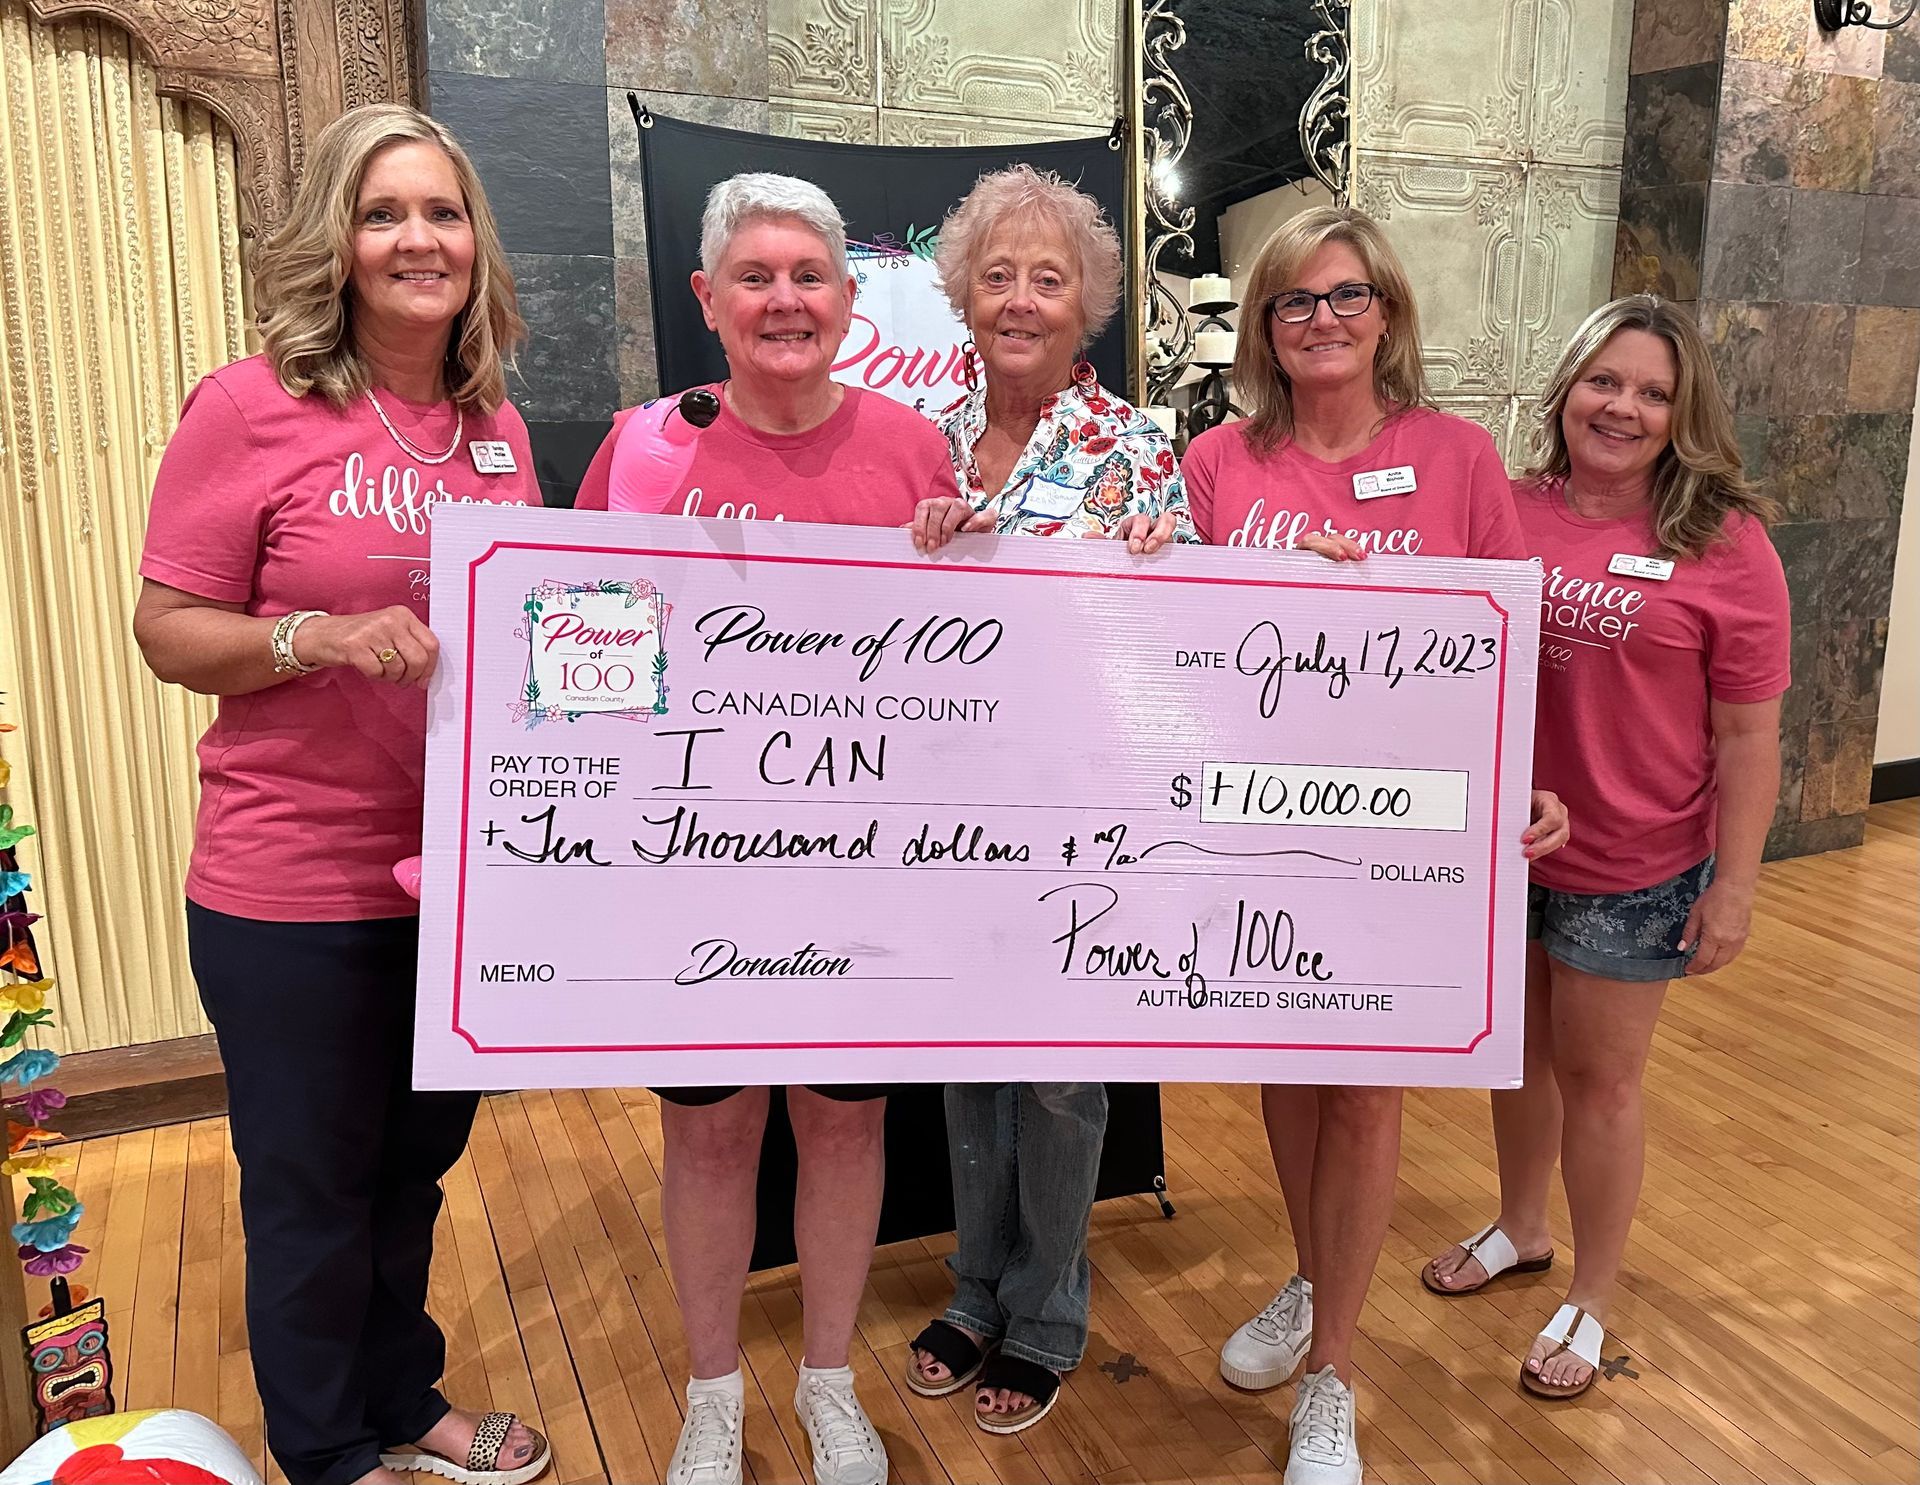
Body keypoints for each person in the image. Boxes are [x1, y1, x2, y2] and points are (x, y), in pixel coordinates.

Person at [133, 105, 548, 1485]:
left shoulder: (493, 425)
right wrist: (313, 639)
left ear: (474, 241)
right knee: (311, 1192)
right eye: (385, 215)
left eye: (442, 212)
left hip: (457, 880)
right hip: (290, 882)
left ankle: (400, 1394)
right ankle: (323, 1451)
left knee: (407, 1175)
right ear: (340, 242)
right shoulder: (247, 405)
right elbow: (165, 627)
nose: (418, 239)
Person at [575, 172, 958, 1485]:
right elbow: (572, 662)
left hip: (867, 865)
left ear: (851, 300)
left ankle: (832, 1377)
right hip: (695, 867)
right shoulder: (638, 451)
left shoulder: (919, 451)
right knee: (710, 1127)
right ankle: (714, 1392)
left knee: (848, 1124)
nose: (785, 299)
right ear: (708, 300)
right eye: (757, 276)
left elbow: (983, 676)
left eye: (810, 275)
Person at [1182, 205, 1568, 1485]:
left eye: (1347, 296)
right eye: (1294, 301)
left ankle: (1335, 1370)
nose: (1323, 320)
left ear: (1387, 313)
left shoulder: (1457, 457)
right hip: (1253, 821)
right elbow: (1171, 650)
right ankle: (1307, 1276)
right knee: (1289, 1082)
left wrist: (1536, 785)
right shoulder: (1218, 464)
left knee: (1365, 1087)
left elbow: (1513, 648)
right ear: (1264, 328)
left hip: (1409, 834)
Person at [1420, 295, 1788, 1399]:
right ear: (1568, 388)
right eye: (1605, 382)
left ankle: (1593, 1290)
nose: (1622, 407)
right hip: (1507, 848)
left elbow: (1749, 731)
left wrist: (1735, 887)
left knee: (1603, 1083)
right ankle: (1521, 1228)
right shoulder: (1511, 507)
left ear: (1684, 416)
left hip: (1637, 866)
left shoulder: (1726, 545)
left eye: (1653, 393)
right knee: (1516, 1058)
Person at [900, 164, 1187, 1436]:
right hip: (947, 813)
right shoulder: (913, 435)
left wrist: (1166, 568)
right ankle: (975, 1285)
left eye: (1049, 278)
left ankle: (1050, 1310)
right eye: (998, 275)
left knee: (1066, 1079)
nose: (1020, 299)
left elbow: (1182, 651)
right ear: (963, 296)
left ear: (1089, 307)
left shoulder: (1138, 445)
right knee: (970, 1066)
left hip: (1089, 812)